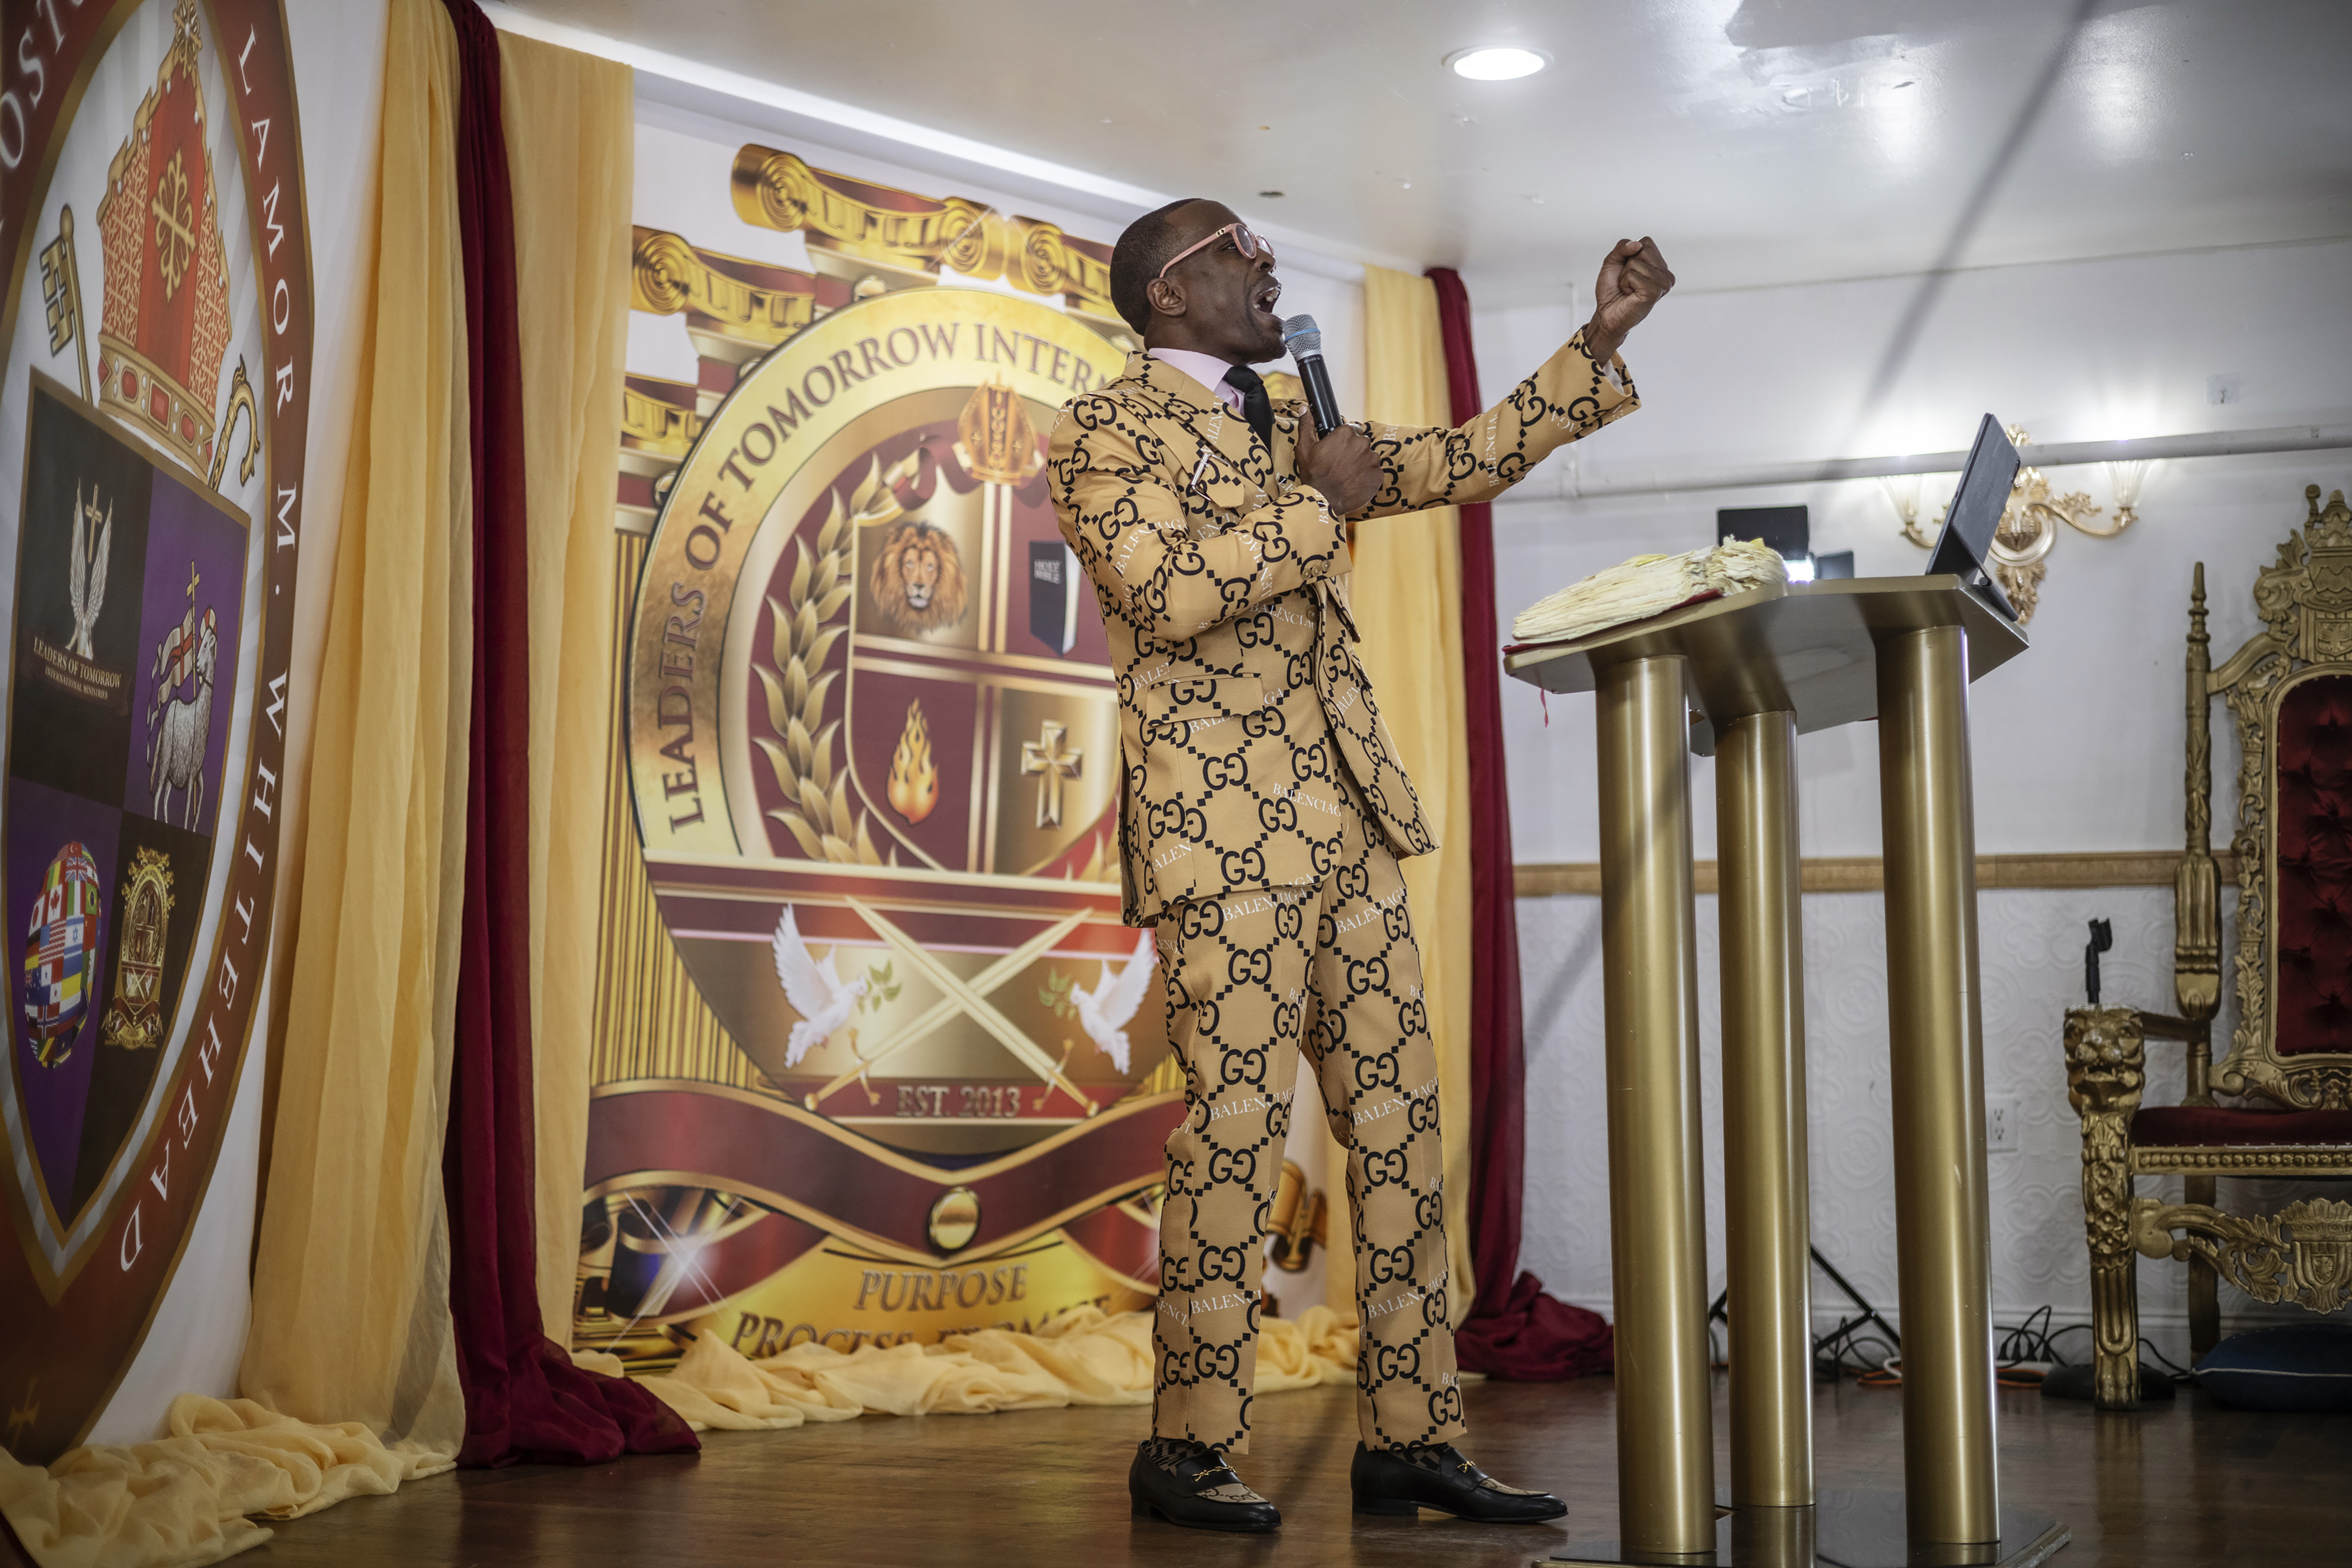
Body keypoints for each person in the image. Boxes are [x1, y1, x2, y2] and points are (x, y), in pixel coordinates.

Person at [1048, 198, 1673, 1533]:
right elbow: (1161, 593)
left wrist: (1595, 340)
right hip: (1223, 835)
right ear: (1169, 293)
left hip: (1349, 821)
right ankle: (1189, 1451)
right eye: (1239, 252)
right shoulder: (1106, 428)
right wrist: (1313, 513)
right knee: (1234, 1132)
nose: (1270, 265)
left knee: (1399, 1126)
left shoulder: (1291, 416)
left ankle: (1411, 1436)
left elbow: (1461, 457)